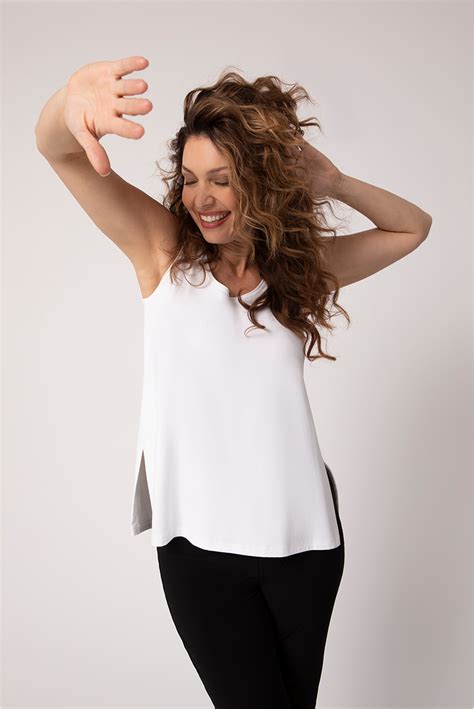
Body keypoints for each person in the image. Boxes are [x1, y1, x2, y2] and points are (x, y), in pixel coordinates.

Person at [35, 55, 432, 708]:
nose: (202, 198)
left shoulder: (298, 272)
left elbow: (411, 227)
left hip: (306, 541)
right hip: (199, 548)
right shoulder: (163, 254)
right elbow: (60, 151)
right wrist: (67, 103)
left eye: (222, 179)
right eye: (191, 179)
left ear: (260, 182)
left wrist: (333, 181)